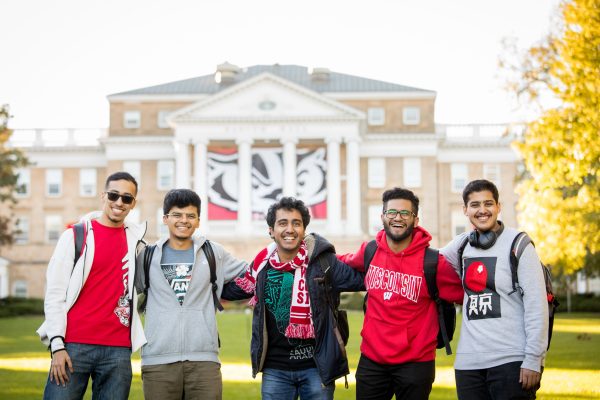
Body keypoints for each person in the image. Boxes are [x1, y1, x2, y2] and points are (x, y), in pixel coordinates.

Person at [225, 196, 365, 400]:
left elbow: (364, 279)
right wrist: (202, 281)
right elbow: (231, 291)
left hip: (317, 367)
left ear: (303, 230)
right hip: (275, 370)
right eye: (282, 223)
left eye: (296, 223)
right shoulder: (261, 267)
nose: (289, 229)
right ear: (271, 230)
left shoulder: (324, 263)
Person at [338, 187, 464, 400]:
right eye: (392, 212)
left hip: (416, 363)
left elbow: (468, 295)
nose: (398, 217)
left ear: (415, 220)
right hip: (372, 360)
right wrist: (312, 252)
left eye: (405, 213)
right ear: (383, 217)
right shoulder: (370, 251)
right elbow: (341, 264)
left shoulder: (434, 263)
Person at [37, 171, 146, 400]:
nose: (119, 202)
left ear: (133, 204)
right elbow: (55, 293)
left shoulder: (136, 243)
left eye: (127, 198)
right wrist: (57, 345)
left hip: (117, 351)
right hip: (73, 346)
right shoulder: (76, 236)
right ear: (103, 196)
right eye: (114, 195)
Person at [439, 179, 548, 400]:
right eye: (475, 205)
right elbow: (423, 260)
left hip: (512, 361)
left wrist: (533, 359)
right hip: (468, 364)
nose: (482, 210)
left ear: (498, 207)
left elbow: (537, 305)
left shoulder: (519, 244)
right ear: (465, 210)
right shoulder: (460, 246)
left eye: (488, 204)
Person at [134, 188, 247, 400]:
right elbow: (122, 291)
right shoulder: (147, 256)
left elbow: (253, 274)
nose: (183, 220)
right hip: (158, 360)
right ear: (165, 218)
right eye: (177, 214)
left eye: (190, 216)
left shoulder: (214, 253)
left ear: (198, 221)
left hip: (204, 360)